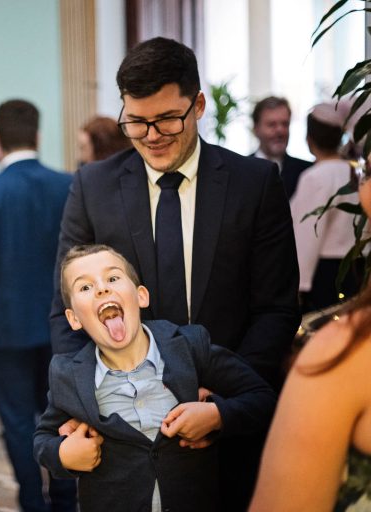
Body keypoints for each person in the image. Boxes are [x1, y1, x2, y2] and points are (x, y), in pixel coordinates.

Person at [49, 37, 300, 511]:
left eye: (167, 119)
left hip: (225, 436)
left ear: (198, 105)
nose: (151, 135)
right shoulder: (93, 187)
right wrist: (80, 402)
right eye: (135, 121)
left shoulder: (254, 184)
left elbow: (275, 309)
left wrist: (223, 403)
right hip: (121, 440)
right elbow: (65, 311)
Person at [35, 245, 276, 511]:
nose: (102, 289)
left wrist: (216, 415)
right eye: (85, 287)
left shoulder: (190, 347)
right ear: (74, 319)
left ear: (141, 296)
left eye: (112, 278)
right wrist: (63, 454)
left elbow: (262, 398)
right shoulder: (68, 375)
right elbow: (43, 438)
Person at [0, 99, 78, 512]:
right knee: (62, 416)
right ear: (37, 136)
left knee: (16, 423)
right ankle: (65, 501)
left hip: (3, 327)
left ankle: (31, 501)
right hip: (62, 326)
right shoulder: (66, 185)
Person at [249, 162, 371, 511]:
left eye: (366, 171)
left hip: (326, 277)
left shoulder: (342, 354)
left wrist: (300, 291)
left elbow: (304, 241)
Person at [291, 102, 362, 313]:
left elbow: (306, 235)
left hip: (325, 273)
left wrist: (298, 285)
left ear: (309, 138)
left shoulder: (315, 176)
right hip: (357, 267)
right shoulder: (356, 173)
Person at [251, 96, 312, 199]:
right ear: (256, 129)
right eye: (272, 125)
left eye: (285, 124)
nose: (280, 131)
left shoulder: (307, 172)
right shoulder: (240, 171)